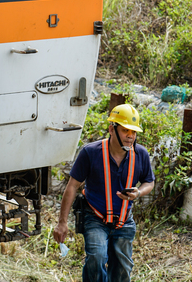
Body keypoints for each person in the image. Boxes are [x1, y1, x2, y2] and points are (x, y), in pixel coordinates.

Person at [54, 104, 155, 282]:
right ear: (111, 129)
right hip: (95, 217)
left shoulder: (141, 154)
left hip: (124, 219)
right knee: (96, 258)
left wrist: (138, 192)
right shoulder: (90, 152)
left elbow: (150, 181)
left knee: (123, 267)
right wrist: (62, 223)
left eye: (133, 132)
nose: (131, 136)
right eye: (125, 131)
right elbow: (72, 186)